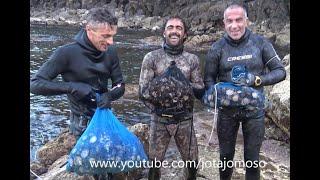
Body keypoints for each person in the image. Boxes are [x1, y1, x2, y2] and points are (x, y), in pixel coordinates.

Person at [30, 7, 125, 180]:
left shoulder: (110, 52)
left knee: (110, 166)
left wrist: (110, 96)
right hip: (81, 121)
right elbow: (35, 84)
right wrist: (71, 86)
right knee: (96, 169)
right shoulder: (66, 53)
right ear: (89, 30)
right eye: (105, 36)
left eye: (113, 35)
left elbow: (120, 85)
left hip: (105, 116)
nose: (111, 42)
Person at [204, 4, 286, 180]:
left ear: (247, 21)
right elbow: (209, 80)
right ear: (224, 23)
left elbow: (280, 71)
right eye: (230, 21)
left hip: (254, 112)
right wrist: (214, 96)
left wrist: (257, 80)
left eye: (239, 20)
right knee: (225, 157)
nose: (234, 26)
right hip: (227, 113)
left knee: (252, 160)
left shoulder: (261, 43)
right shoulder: (216, 48)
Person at [139, 16, 205, 180]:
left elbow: (199, 88)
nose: (174, 31)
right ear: (164, 32)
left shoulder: (192, 60)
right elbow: (143, 92)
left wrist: (182, 87)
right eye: (170, 27)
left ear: (184, 34)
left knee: (192, 164)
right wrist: (161, 102)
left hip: (185, 120)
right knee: (154, 166)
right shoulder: (151, 58)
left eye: (178, 28)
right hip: (159, 119)